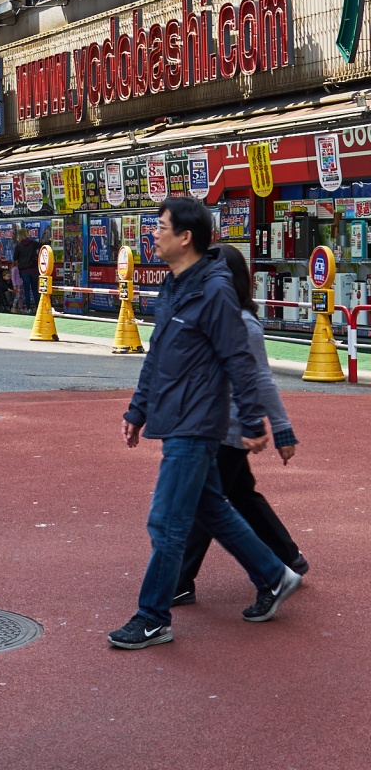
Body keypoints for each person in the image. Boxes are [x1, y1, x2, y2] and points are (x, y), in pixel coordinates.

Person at [107, 197, 302, 651]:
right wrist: (137, 410)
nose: (153, 233)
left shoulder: (213, 291)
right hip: (176, 416)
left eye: (160, 226)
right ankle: (274, 576)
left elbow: (241, 361)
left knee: (166, 524)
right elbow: (157, 354)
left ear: (185, 237)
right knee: (211, 508)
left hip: (196, 422)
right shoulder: (174, 285)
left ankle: (152, 617)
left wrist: (255, 421)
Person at [174, 243, 308, 605]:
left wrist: (281, 429)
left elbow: (261, 379)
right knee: (239, 495)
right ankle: (287, 556)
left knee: (203, 503)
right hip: (213, 424)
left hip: (228, 429)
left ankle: (182, 579)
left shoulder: (242, 323)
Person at [13, 227, 41, 311]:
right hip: (34, 270)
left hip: (24, 271)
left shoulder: (18, 246)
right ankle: (38, 307)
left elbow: (15, 257)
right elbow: (43, 244)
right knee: (35, 289)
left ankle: (28, 308)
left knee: (26, 290)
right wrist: (50, 240)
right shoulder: (33, 243)